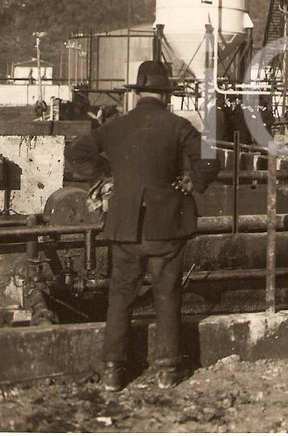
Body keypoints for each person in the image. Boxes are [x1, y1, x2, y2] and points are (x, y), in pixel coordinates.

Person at [65, 60, 218, 392]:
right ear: (165, 95)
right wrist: (191, 182)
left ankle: (112, 371)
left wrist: (104, 177)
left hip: (125, 226)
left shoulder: (115, 126)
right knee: (167, 294)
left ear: (137, 93)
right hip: (167, 225)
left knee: (120, 296)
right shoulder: (179, 126)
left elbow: (77, 153)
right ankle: (167, 370)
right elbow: (209, 161)